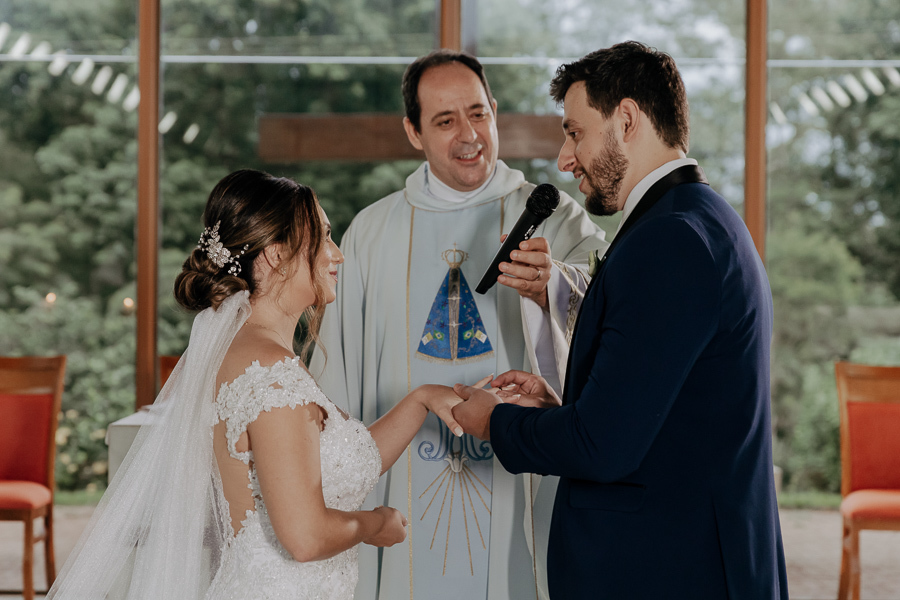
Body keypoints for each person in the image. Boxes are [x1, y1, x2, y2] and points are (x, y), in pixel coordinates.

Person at [452, 41, 790, 599]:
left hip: (670, 571)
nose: (565, 158)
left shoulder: (669, 241)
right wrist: (559, 408)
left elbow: (603, 447)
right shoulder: (702, 220)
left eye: (575, 132)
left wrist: (496, 423)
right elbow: (663, 418)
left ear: (627, 119)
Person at [46, 169, 465, 600]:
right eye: (323, 238)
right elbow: (304, 537)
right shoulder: (270, 374)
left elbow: (334, 466)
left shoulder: (254, 355)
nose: (337, 255)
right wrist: (376, 523)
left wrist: (421, 400)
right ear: (274, 255)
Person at [310, 50, 606, 600]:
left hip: (523, 483)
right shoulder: (371, 235)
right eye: (445, 121)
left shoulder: (554, 217)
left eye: (477, 113)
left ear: (494, 111)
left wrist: (551, 289)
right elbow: (336, 380)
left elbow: (618, 329)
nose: (468, 134)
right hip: (398, 489)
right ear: (413, 132)